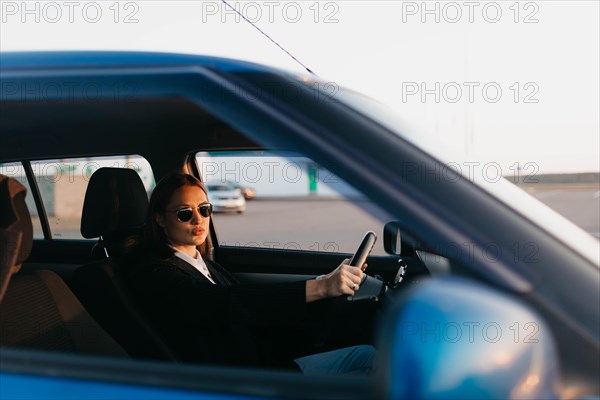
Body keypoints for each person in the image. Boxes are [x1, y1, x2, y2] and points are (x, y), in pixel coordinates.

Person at [128, 172, 375, 375]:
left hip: (262, 364)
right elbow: (226, 302)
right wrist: (322, 288)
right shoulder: (156, 274)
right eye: (185, 213)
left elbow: (249, 305)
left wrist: (324, 282)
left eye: (204, 209)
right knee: (370, 363)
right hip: (242, 379)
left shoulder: (201, 262)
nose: (198, 220)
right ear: (160, 219)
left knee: (367, 355)